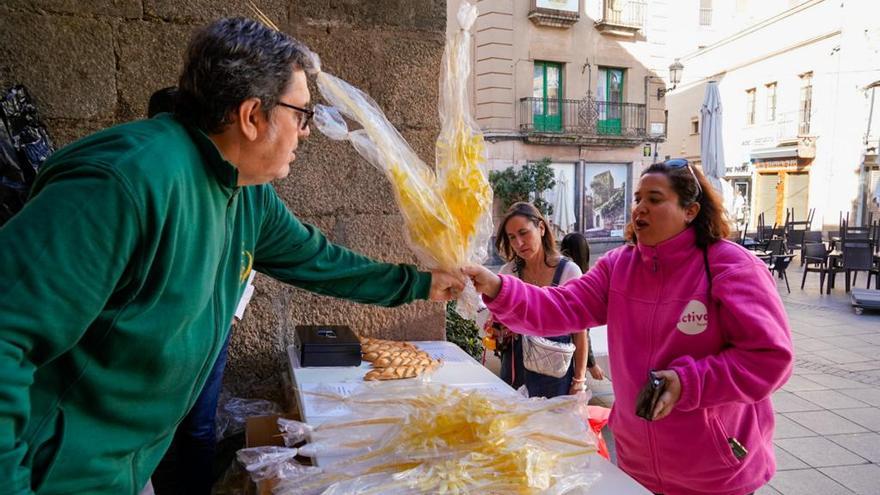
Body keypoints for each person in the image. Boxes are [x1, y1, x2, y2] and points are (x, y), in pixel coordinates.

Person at [0, 17, 464, 495]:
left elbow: (319, 260)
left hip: (125, 468)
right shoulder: (124, 183)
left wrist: (422, 283)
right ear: (251, 115)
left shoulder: (245, 192)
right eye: (301, 114)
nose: (306, 132)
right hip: (49, 473)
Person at [466, 159, 793, 495]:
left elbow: (768, 358)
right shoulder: (619, 266)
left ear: (691, 210)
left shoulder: (732, 267)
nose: (640, 209)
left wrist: (686, 382)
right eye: (638, 199)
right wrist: (496, 286)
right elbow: (560, 306)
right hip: (638, 466)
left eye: (655, 199)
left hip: (714, 470)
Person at [488, 202, 591, 398]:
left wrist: (579, 381)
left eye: (523, 233)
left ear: (541, 228)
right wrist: (497, 328)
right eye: (512, 238)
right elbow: (498, 323)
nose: (519, 243)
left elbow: (580, 332)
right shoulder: (508, 273)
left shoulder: (569, 272)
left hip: (556, 375)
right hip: (515, 370)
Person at [559, 232, 605, 383]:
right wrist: (591, 365)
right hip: (570, 355)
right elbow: (583, 332)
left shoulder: (559, 273)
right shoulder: (584, 282)